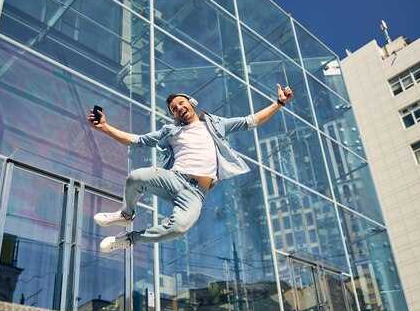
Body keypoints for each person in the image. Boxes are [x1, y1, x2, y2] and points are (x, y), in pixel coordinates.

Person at [88, 84, 293, 252]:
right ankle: (126, 215)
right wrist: (105, 127)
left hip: (196, 194)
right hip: (174, 178)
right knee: (136, 177)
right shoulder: (171, 131)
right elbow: (137, 140)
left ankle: (130, 239)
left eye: (180, 103)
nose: (178, 108)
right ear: (174, 116)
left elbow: (252, 120)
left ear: (190, 103)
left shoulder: (216, 125)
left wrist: (279, 103)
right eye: (174, 109)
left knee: (179, 228)